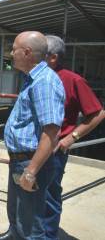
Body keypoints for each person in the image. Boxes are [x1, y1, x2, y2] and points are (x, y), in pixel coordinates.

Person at [0, 31, 65, 240]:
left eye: (14, 49)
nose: (11, 53)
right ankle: (14, 233)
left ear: (27, 52)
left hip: (30, 162)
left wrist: (31, 171)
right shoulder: (32, 78)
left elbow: (51, 132)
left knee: (32, 227)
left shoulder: (45, 82)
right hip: (20, 160)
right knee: (18, 212)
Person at [43, 35, 105, 240]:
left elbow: (98, 113)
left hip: (54, 149)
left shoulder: (73, 80)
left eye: (38, 50)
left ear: (52, 58)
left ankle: (49, 235)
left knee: (50, 194)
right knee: (28, 192)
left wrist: (71, 137)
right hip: (31, 146)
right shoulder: (35, 76)